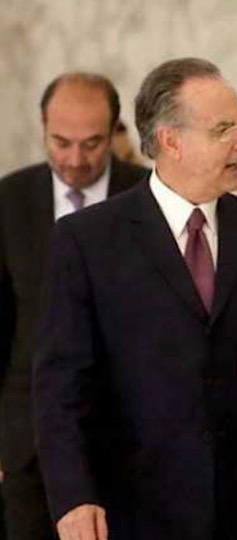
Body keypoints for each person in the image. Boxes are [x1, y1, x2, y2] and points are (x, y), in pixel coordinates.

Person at [32, 58, 237, 540]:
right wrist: (74, 498)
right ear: (170, 140)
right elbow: (61, 387)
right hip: (133, 514)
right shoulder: (87, 241)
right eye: (223, 129)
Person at [0, 72, 148, 540]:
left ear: (115, 131)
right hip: (27, 448)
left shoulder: (149, 196)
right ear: (43, 126)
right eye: (61, 143)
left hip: (134, 445)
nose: (75, 160)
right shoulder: (9, 200)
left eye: (92, 144)